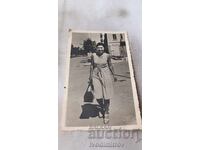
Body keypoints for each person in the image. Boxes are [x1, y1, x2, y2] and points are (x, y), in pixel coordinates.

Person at [89, 42, 117, 124]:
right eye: (99, 48)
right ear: (96, 48)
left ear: (103, 48)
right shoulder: (93, 55)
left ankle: (106, 112)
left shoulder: (107, 55)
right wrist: (90, 77)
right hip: (96, 76)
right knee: (98, 95)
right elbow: (91, 66)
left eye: (102, 47)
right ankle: (102, 108)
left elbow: (110, 65)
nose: (100, 49)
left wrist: (114, 75)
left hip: (106, 75)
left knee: (107, 95)